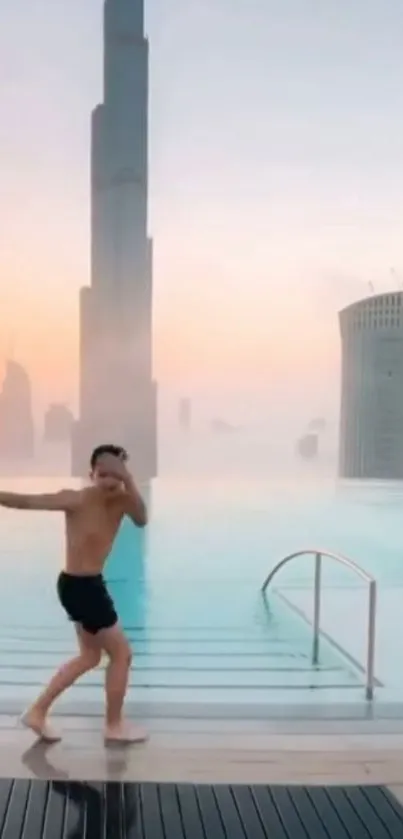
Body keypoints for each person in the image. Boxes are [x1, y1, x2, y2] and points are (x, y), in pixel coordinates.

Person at [0, 443, 148, 744]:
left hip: (86, 585)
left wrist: (128, 479)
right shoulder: (77, 499)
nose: (109, 480)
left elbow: (142, 518)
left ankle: (37, 712)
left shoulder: (123, 500)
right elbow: (27, 501)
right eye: (102, 473)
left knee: (91, 656)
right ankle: (114, 726)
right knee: (121, 654)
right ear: (91, 473)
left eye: (115, 474)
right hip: (81, 587)